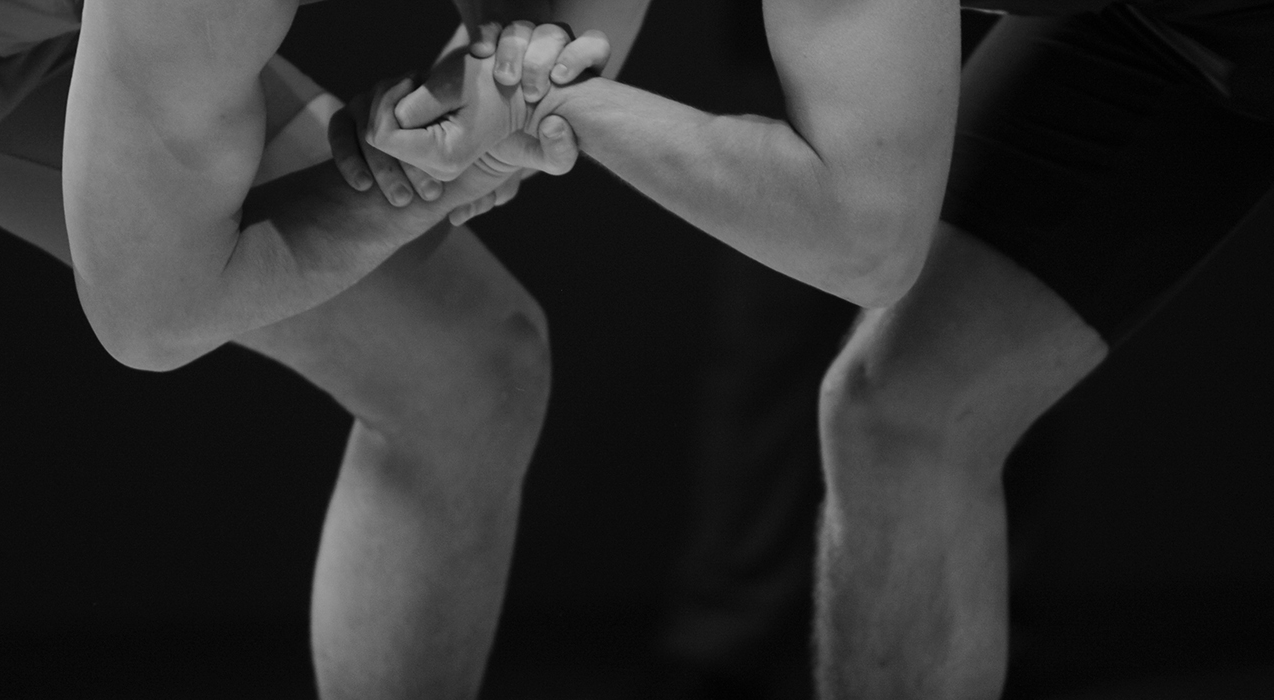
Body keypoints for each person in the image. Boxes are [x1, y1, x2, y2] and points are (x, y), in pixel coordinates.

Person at [360, 0, 1274, 697]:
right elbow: (549, 42)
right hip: (1165, 31)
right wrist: (448, 121)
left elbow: (862, 239)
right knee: (902, 419)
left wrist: (551, 105)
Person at [0, 1, 625, 697]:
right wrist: (432, 179)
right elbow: (152, 312)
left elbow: (558, 46)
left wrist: (490, 86)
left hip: (45, 30)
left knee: (461, 373)